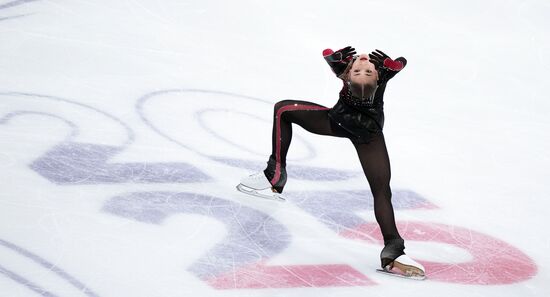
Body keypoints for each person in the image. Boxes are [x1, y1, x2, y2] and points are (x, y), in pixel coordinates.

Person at [236, 46, 425, 279]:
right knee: (382, 192)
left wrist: (333, 59)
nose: (364, 63)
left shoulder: (368, 73)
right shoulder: (381, 72)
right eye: (360, 69)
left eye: (363, 70)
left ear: (374, 78)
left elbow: (346, 63)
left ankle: (273, 176)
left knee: (381, 191)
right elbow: (401, 62)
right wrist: (391, 65)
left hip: (349, 128)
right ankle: (393, 250)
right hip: (362, 132)